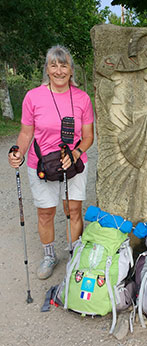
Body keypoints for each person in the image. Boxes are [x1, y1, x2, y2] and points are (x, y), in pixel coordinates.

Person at [8, 45, 94, 280]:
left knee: (73, 209)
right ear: (47, 69)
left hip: (73, 162)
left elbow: (88, 136)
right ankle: (49, 255)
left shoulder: (82, 98)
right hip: (41, 163)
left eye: (63, 65)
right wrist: (18, 151)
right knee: (45, 212)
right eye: (53, 65)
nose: (58, 70)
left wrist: (76, 153)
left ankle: (74, 252)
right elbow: (26, 133)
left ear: (71, 70)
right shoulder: (33, 97)